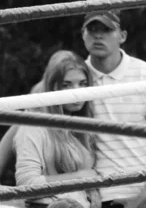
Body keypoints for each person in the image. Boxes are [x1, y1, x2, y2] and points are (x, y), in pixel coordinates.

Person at [81, 10, 146, 208]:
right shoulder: (74, 78)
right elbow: (30, 115)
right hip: (101, 198)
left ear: (122, 36)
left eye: (106, 30)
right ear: (82, 34)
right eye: (92, 30)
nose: (98, 36)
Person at [14, 52, 100, 208]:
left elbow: (87, 179)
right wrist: (80, 178)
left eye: (83, 83)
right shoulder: (34, 126)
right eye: (66, 85)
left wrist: (92, 191)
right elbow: (27, 184)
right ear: (52, 87)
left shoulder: (80, 126)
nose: (77, 91)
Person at [0, 50, 78, 181]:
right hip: (45, 188)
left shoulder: (78, 106)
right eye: (66, 84)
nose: (75, 89)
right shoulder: (38, 103)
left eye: (82, 83)